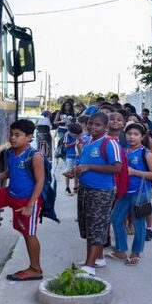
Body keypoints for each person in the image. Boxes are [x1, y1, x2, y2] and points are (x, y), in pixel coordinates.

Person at [64, 113, 121, 277]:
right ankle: (99, 258)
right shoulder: (88, 141)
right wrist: (75, 172)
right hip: (85, 188)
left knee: (96, 226)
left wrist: (89, 167)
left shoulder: (110, 143)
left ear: (106, 127)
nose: (93, 127)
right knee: (88, 225)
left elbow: (117, 168)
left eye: (98, 125)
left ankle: (89, 267)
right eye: (91, 124)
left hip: (101, 192)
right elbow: (84, 163)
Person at [0, 119, 46, 281]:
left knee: (29, 234)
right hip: (11, 194)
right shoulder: (10, 153)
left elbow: (40, 181)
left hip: (27, 200)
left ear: (29, 137)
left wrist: (30, 205)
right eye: (11, 134)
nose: (13, 138)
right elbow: (12, 172)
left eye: (17, 135)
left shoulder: (34, 156)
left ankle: (35, 269)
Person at [107, 123, 152, 265]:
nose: (132, 137)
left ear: (142, 137)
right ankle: (120, 250)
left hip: (140, 193)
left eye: (136, 134)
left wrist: (135, 172)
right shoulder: (123, 150)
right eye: (129, 134)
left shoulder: (146, 154)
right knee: (116, 218)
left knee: (138, 223)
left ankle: (136, 253)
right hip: (124, 191)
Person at [63, 122, 82, 196]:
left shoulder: (80, 134)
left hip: (78, 156)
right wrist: (76, 141)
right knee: (68, 172)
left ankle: (75, 187)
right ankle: (67, 188)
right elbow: (66, 146)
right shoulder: (67, 134)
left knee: (76, 172)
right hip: (70, 156)